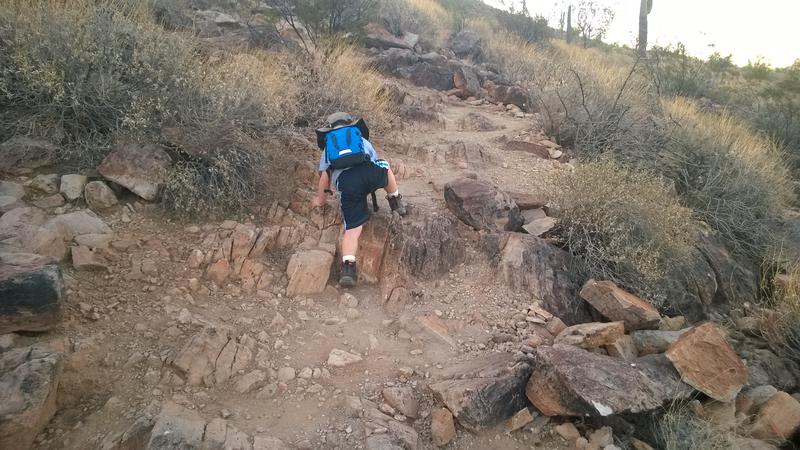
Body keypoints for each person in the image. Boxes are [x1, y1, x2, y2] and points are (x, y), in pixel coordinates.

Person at [312, 112, 406, 287]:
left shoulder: (328, 147)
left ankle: (348, 268)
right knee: (385, 167)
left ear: (330, 130)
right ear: (350, 125)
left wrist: (320, 199)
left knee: (353, 229)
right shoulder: (360, 138)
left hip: (348, 185)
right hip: (369, 174)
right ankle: (395, 201)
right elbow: (374, 159)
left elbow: (324, 177)